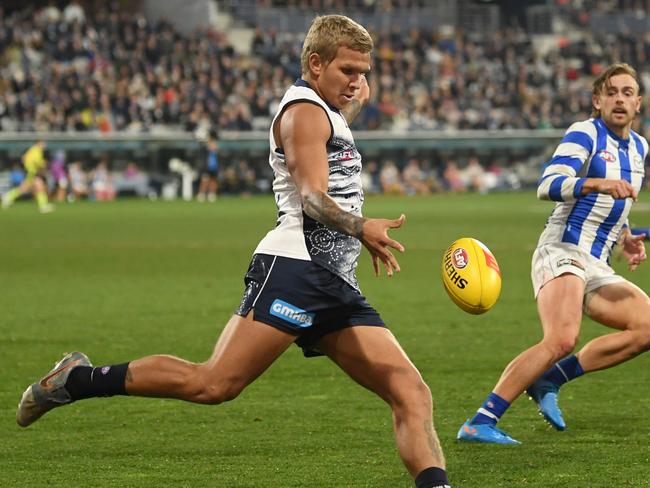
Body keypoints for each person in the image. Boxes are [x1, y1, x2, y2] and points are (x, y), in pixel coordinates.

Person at [17, 15, 451, 488]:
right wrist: (361, 226)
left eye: (364, 72)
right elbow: (310, 198)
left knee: (411, 392)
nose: (358, 82)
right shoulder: (304, 112)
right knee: (213, 384)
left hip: (333, 280)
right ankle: (78, 380)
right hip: (295, 268)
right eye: (348, 71)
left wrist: (352, 100)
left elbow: (336, 130)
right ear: (314, 63)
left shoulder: (326, 109)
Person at [457, 63, 649, 445]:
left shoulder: (641, 147)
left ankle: (550, 379)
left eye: (628, 92)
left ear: (638, 103)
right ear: (597, 101)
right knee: (561, 339)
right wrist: (597, 182)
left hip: (597, 263)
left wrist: (626, 236)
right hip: (562, 249)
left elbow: (614, 207)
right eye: (611, 92)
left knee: (647, 326)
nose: (619, 99)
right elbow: (549, 185)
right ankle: (480, 421)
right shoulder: (586, 132)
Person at [2, 140, 54, 213]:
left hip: (30, 171)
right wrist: (43, 164)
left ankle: (8, 196)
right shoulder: (36, 150)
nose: (44, 145)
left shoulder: (32, 150)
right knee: (38, 186)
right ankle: (43, 206)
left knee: (25, 188)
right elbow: (36, 161)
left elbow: (24, 158)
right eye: (43, 143)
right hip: (32, 172)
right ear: (38, 143)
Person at [196, 137, 219, 202]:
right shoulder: (204, 151)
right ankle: (201, 194)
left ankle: (212, 195)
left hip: (214, 168)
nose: (213, 146)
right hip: (206, 168)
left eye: (214, 144)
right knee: (204, 181)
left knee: (213, 181)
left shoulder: (216, 153)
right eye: (212, 144)